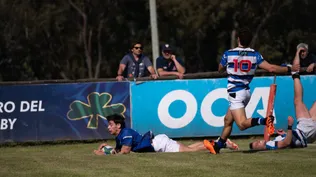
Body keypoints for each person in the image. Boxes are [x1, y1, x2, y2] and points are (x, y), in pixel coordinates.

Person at [204, 27, 300, 154]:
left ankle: (265, 121)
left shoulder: (229, 54)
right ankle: (218, 145)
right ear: (249, 41)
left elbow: (220, 69)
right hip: (246, 92)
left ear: (238, 39)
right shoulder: (255, 55)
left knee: (242, 125)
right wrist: (289, 69)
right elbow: (271, 68)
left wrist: (224, 66)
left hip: (236, 93)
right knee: (228, 120)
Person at [93, 114, 239, 155]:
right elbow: (120, 149)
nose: (108, 127)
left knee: (189, 151)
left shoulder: (125, 133)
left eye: (111, 124)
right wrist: (107, 147)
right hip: (158, 142)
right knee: (188, 148)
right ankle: (220, 142)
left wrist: (105, 153)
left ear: (118, 125)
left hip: (158, 144)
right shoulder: (121, 135)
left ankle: (220, 143)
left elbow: (124, 152)